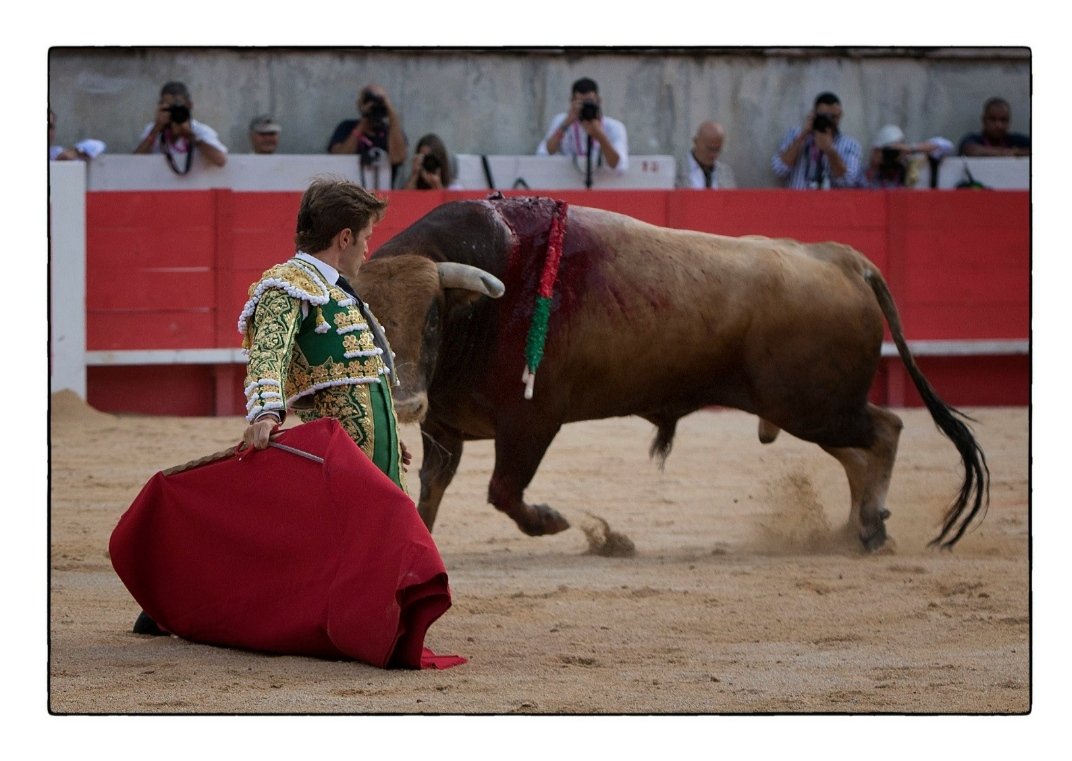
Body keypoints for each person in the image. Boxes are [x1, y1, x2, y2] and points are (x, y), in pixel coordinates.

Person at [132, 178, 412, 638]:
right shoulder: (288, 287)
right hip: (338, 458)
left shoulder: (338, 292)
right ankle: (178, 605)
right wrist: (265, 412)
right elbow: (269, 353)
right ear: (345, 237)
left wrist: (390, 434)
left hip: (371, 454)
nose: (367, 248)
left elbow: (364, 378)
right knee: (297, 547)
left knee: (326, 547)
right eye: (365, 237)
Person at [771, 91, 862, 189]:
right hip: (797, 201)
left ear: (840, 116)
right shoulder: (795, 134)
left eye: (833, 117)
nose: (829, 121)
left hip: (830, 203)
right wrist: (803, 135)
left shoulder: (850, 145)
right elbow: (779, 169)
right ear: (814, 114)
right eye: (824, 116)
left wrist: (830, 151)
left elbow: (848, 181)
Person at [537, 77, 629, 174]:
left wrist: (600, 135)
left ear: (598, 100)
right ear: (572, 101)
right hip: (567, 181)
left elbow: (618, 165)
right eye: (581, 103)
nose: (586, 108)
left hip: (603, 184)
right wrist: (566, 124)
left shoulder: (614, 127)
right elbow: (544, 153)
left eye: (589, 102)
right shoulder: (562, 121)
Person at [133, 81, 228, 171]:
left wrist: (191, 137)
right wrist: (156, 129)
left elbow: (221, 160)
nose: (174, 112)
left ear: (189, 106)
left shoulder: (200, 130)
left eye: (178, 107)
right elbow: (133, 163)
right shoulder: (153, 129)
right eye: (169, 107)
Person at [327, 84, 408, 187]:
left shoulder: (392, 132)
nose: (376, 105)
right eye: (371, 100)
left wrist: (391, 112)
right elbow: (338, 158)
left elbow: (398, 158)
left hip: (385, 195)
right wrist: (363, 122)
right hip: (350, 193)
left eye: (380, 101)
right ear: (361, 103)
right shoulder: (347, 127)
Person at [859, 124, 954, 189]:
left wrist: (911, 149)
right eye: (889, 151)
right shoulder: (866, 172)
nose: (892, 155)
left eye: (896, 151)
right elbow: (859, 192)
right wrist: (873, 168)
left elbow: (946, 146)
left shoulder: (909, 166)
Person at [958, 97, 1030, 157]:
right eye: (993, 119)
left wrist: (1017, 152)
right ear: (984, 120)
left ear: (1009, 121)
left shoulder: (1016, 139)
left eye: (1003, 120)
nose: (998, 125)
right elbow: (970, 150)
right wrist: (1007, 153)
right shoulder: (973, 138)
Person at [676, 120, 736, 189]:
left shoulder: (725, 174)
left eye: (717, 150)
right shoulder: (677, 170)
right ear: (696, 142)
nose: (713, 155)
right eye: (709, 149)